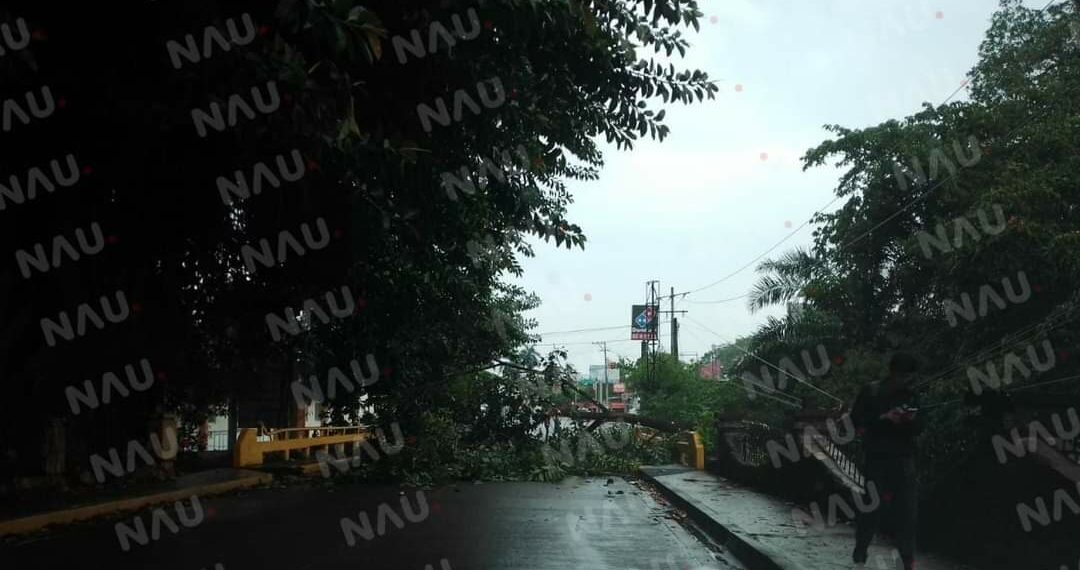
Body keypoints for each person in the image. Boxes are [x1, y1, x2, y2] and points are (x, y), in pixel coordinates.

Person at [848, 352, 921, 570]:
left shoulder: (911, 395)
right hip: (877, 457)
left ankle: (907, 559)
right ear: (893, 373)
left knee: (907, 511)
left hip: (903, 457)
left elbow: (920, 426)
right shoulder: (872, 392)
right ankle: (861, 551)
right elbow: (856, 420)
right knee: (872, 507)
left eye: (909, 377)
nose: (906, 381)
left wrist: (909, 420)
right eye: (902, 376)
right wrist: (884, 419)